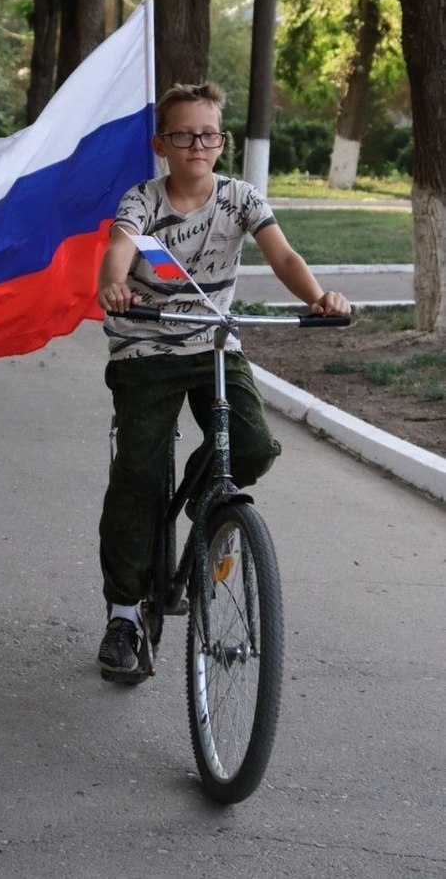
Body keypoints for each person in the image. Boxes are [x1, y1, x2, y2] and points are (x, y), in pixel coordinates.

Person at [95, 82, 351, 678]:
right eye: (182, 135)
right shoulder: (142, 200)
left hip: (214, 342)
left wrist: (319, 298)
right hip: (146, 344)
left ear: (222, 141)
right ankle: (125, 616)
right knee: (136, 475)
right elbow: (117, 250)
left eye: (207, 134)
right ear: (162, 143)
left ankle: (204, 496)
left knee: (255, 447)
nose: (196, 145)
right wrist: (114, 284)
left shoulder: (240, 198)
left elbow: (283, 256)